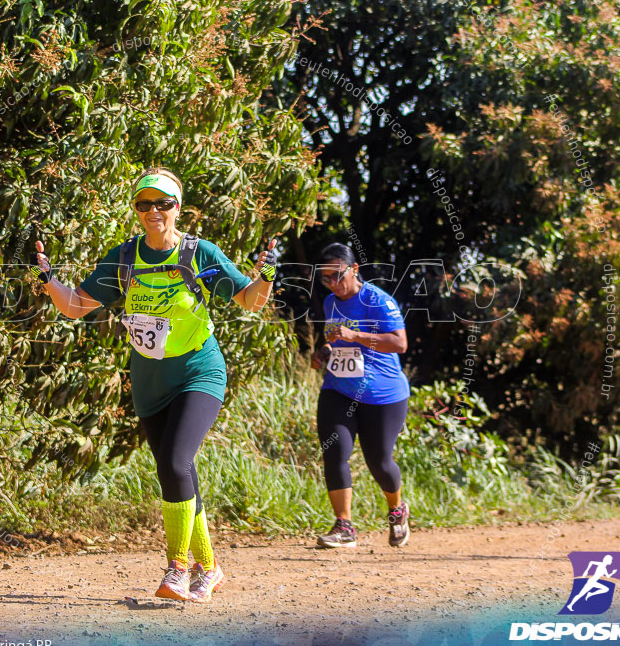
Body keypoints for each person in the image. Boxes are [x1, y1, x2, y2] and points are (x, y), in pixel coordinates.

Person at [33, 167, 277, 602]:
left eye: (163, 203)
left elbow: (249, 300)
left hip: (199, 372)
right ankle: (211, 568)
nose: (153, 211)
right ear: (137, 210)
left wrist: (267, 277)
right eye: (144, 204)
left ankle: (177, 568)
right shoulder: (124, 258)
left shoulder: (199, 253)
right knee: (175, 471)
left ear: (177, 208)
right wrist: (48, 281)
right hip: (149, 382)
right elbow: (75, 307)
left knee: (176, 462)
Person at [310, 243, 411, 548]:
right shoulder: (330, 302)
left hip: (382, 393)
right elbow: (335, 340)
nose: (332, 284)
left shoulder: (378, 301)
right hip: (339, 388)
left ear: (354, 269)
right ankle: (344, 526)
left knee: (379, 463)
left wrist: (356, 337)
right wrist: (324, 352)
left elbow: (399, 343)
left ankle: (397, 509)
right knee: (335, 451)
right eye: (325, 278)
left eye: (337, 276)